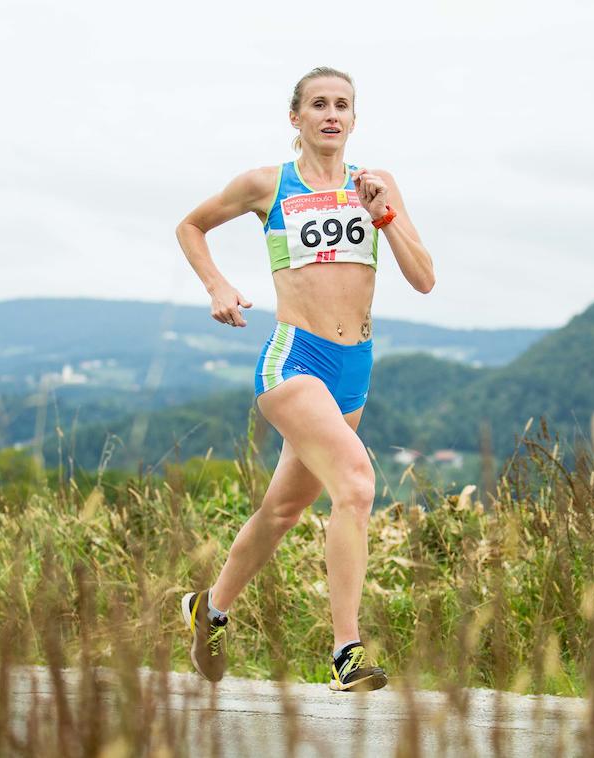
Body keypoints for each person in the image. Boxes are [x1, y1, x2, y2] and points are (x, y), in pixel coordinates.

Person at [174, 66, 434, 692]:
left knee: (285, 507)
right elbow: (191, 226)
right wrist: (217, 286)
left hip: (354, 372)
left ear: (353, 119)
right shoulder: (269, 184)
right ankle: (347, 651)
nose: (331, 115)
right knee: (356, 482)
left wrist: (385, 214)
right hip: (294, 360)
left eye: (342, 105)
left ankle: (209, 608)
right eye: (319, 104)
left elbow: (424, 278)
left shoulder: (377, 186)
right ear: (296, 118)